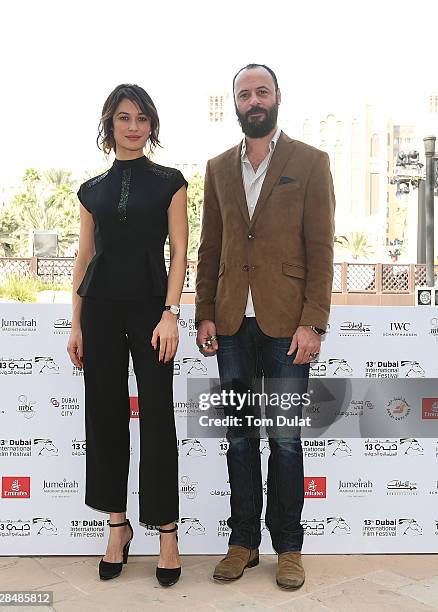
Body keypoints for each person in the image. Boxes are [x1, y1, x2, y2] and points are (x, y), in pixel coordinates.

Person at [195, 64, 335, 590]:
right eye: (244, 93)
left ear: (277, 97)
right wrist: (205, 311)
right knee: (238, 439)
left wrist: (313, 323)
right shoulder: (216, 168)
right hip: (230, 322)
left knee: (285, 439)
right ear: (234, 103)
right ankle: (242, 542)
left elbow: (321, 249)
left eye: (261, 91)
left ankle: (290, 548)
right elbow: (211, 248)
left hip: (286, 327)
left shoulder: (311, 162)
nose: (253, 100)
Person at [67, 83, 188, 586]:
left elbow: (180, 252)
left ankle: (166, 534)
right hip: (99, 312)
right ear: (109, 124)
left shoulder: (170, 182)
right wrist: (74, 322)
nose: (133, 126)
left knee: (157, 417)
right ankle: (117, 527)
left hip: (150, 310)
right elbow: (83, 256)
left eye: (141, 118)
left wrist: (170, 313)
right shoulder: (91, 189)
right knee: (106, 417)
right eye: (123, 118)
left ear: (151, 125)